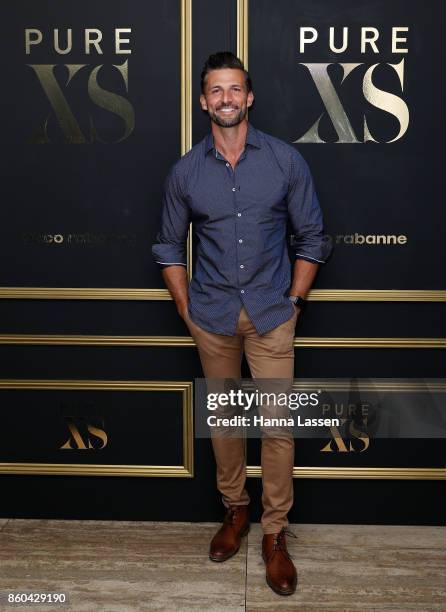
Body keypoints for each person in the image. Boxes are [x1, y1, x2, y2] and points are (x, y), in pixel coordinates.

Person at [152, 51, 330, 596]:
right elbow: (167, 245)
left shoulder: (284, 162)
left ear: (249, 97)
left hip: (273, 317)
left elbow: (313, 238)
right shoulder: (186, 171)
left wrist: (295, 301)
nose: (226, 99)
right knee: (226, 424)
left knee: (278, 429)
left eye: (235, 90)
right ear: (203, 101)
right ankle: (236, 512)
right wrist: (186, 308)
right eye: (216, 91)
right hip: (212, 317)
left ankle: (274, 534)